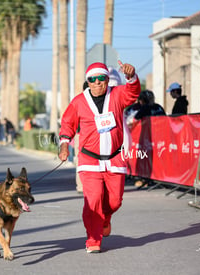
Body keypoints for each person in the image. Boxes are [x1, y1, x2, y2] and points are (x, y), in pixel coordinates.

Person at [58, 61, 141, 253]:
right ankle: (93, 240)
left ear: (107, 80)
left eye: (101, 78)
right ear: (88, 81)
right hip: (90, 160)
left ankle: (104, 219)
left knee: (115, 201)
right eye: (92, 79)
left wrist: (131, 77)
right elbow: (67, 124)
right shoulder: (78, 101)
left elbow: (133, 93)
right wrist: (64, 145)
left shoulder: (118, 94)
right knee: (93, 200)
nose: (97, 82)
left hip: (114, 158)